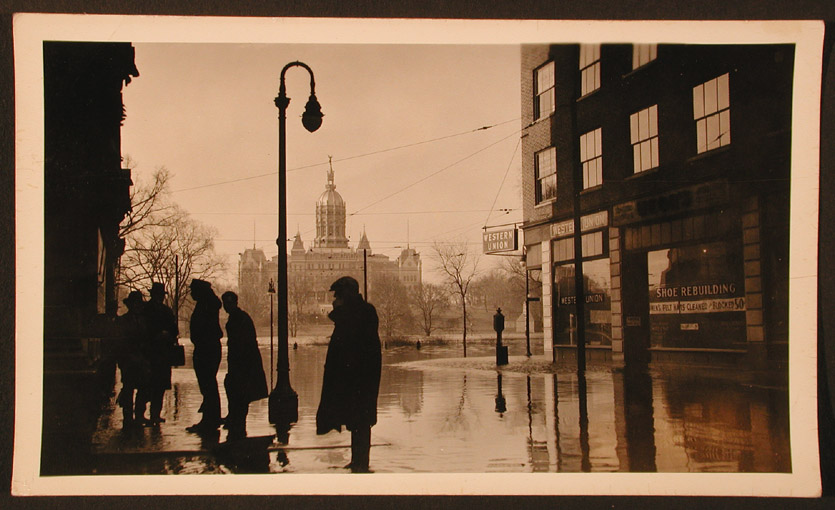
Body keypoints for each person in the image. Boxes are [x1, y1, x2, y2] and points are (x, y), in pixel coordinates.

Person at [316, 276, 381, 473]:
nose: (335, 299)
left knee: (360, 420)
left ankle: (361, 463)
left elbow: (352, 345)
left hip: (358, 378)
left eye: (338, 296)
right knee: (357, 420)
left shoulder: (359, 313)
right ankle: (357, 461)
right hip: (357, 378)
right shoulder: (360, 312)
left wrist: (339, 311)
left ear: (347, 294)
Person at [221, 291, 268, 440]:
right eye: (225, 303)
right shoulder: (240, 317)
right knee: (239, 392)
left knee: (238, 392)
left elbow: (241, 343)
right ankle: (237, 421)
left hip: (242, 362)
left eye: (228, 303)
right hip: (243, 362)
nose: (226, 306)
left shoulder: (238, 319)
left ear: (234, 303)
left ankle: (237, 422)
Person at [135, 282, 179, 426]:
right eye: (157, 294)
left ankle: (155, 414)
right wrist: (156, 335)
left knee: (159, 386)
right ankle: (140, 415)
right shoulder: (145, 310)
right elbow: (142, 330)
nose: (159, 297)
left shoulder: (167, 311)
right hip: (149, 353)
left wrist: (168, 334)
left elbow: (174, 330)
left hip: (163, 354)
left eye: (160, 295)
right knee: (145, 385)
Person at [186, 278, 223, 433]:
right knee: (209, 384)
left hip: (205, 349)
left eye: (193, 291)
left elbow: (201, 328)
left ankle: (209, 420)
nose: (191, 294)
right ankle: (211, 418)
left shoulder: (204, 306)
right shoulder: (208, 305)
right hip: (208, 348)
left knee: (207, 385)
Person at [116, 290, 150, 428]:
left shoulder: (144, 320)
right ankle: (128, 418)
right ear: (130, 305)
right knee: (128, 388)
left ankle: (139, 415)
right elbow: (120, 343)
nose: (137, 306)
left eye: (139, 304)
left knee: (143, 388)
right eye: (135, 304)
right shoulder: (123, 321)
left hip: (141, 359)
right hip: (128, 360)